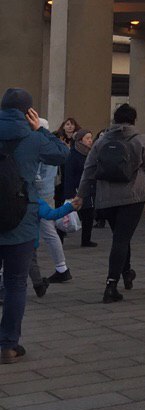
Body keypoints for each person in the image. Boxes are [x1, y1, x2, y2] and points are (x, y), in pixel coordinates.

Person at [0, 88, 69, 363]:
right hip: (22, 220)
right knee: (16, 283)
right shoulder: (33, 137)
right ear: (29, 111)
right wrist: (40, 128)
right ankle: (7, 345)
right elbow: (63, 153)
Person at [77, 103, 145, 303]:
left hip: (106, 197)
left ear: (115, 119)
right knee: (121, 238)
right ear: (133, 120)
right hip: (133, 196)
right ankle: (111, 285)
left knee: (120, 236)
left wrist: (81, 195)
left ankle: (127, 272)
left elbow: (89, 169)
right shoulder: (142, 140)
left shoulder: (101, 141)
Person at [34, 118, 72, 284]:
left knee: (45, 231)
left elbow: (36, 175)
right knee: (49, 231)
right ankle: (61, 267)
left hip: (38, 193)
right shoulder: (51, 146)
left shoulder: (39, 147)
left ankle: (61, 268)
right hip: (48, 191)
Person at [62, 128, 97, 247]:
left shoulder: (91, 153)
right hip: (76, 189)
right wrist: (69, 193)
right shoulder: (72, 154)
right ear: (80, 140)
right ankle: (60, 236)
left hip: (88, 188)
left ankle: (86, 240)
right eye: (87, 138)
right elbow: (69, 175)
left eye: (91, 138)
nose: (90, 140)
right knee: (68, 213)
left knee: (89, 214)